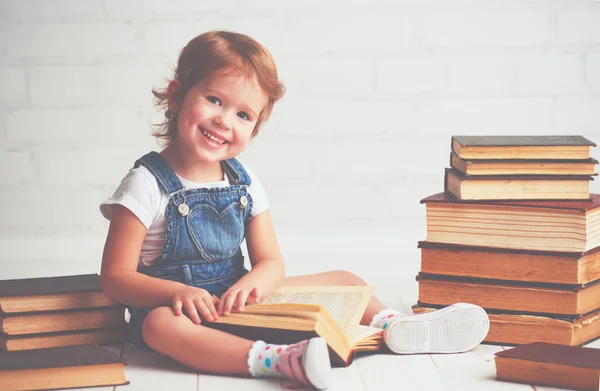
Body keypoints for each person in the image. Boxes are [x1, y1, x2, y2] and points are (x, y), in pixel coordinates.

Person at [99, 30, 490, 390]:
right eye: (214, 100)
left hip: (237, 301)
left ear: (255, 126)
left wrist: (256, 284)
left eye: (243, 114)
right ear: (177, 95)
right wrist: (176, 292)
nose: (224, 120)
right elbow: (116, 277)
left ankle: (395, 326)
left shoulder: (243, 181)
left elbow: (270, 260)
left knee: (346, 279)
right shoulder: (146, 183)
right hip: (184, 314)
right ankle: (280, 361)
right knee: (158, 328)